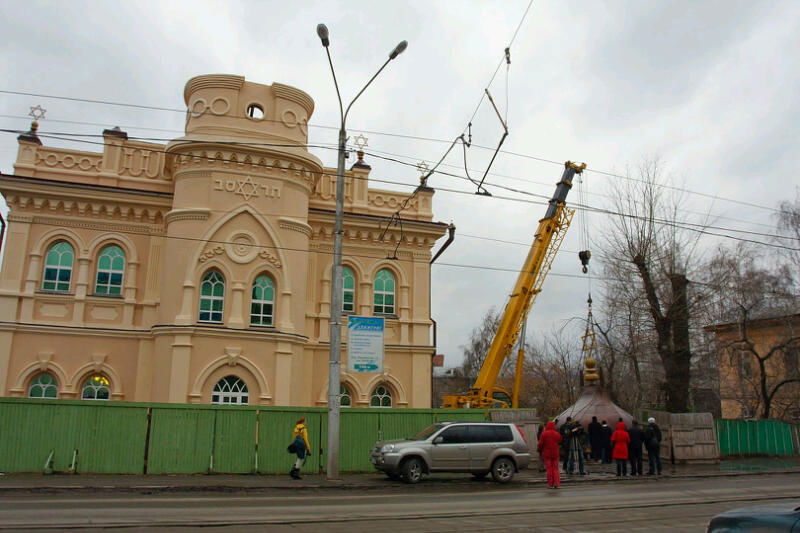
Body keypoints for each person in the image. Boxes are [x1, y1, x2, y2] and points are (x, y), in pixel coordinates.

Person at [537, 420, 563, 489]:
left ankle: (550, 484)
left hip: (547, 454)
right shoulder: (557, 434)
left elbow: (540, 444)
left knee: (549, 469)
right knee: (555, 469)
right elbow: (560, 440)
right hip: (555, 454)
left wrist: (540, 449)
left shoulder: (544, 434)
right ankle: (556, 484)